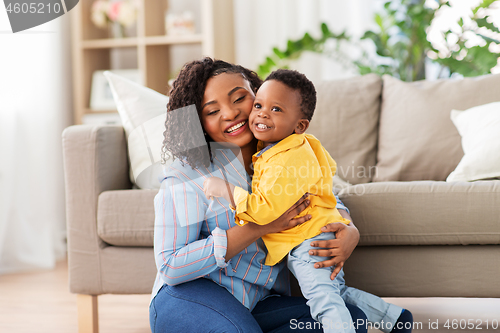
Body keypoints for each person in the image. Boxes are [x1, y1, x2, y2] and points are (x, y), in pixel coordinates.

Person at [151, 57, 367, 333]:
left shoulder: (284, 153)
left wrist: (349, 229)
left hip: (256, 302)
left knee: (353, 321)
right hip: (190, 296)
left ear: (258, 94)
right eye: (212, 111)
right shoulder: (186, 173)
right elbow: (171, 266)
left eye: (239, 98)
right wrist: (260, 225)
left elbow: (322, 194)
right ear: (199, 122)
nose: (230, 114)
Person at [203, 69, 413, 333]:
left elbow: (265, 210)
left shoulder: (284, 159)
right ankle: (393, 318)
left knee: (324, 302)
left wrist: (226, 190)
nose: (262, 114)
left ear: (299, 125)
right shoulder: (293, 146)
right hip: (317, 234)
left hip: (307, 242)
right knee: (334, 292)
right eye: (259, 105)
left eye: (276, 109)